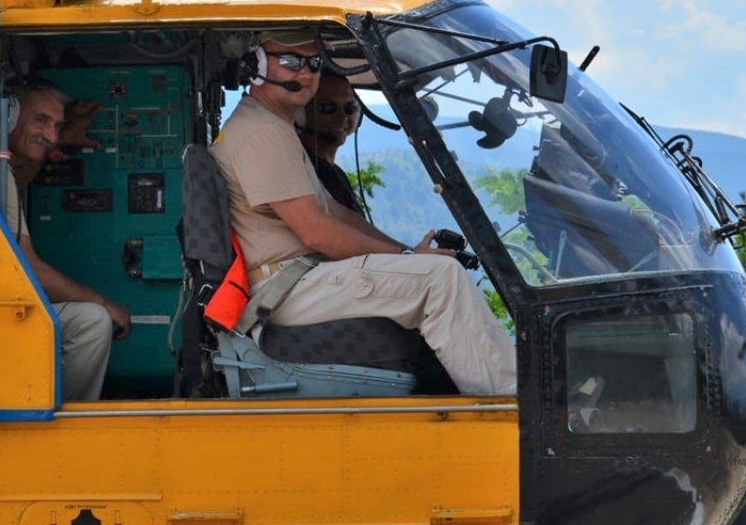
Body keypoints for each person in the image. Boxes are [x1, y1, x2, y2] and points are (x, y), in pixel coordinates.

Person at [210, 31, 516, 396]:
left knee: (431, 271)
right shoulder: (262, 134)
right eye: (290, 61)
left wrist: (407, 253)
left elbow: (334, 212)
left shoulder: (273, 126)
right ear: (256, 65)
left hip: (296, 280)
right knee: (441, 279)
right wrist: (407, 258)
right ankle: (513, 407)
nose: (306, 75)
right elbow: (316, 232)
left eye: (314, 64)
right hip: (286, 290)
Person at [5, 82, 131, 401]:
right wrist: (104, 303)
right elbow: (27, 268)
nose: (51, 135)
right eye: (41, 121)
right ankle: (66, 420)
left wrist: (59, 144)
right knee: (93, 319)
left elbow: (22, 178)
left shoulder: (3, 170)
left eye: (57, 127)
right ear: (8, 116)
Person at [296, 71, 365, 215]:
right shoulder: (303, 168)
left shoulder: (335, 173)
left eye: (349, 108)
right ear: (300, 115)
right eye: (328, 108)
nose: (342, 116)